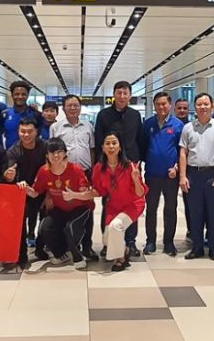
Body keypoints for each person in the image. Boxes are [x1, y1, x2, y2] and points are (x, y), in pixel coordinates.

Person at [94, 80, 145, 256]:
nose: (122, 96)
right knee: (109, 203)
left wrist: (138, 161)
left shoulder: (135, 115)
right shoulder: (103, 115)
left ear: (130, 95)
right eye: (119, 93)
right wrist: (101, 166)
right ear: (113, 95)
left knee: (131, 203)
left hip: (131, 166)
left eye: (125, 93)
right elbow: (99, 140)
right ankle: (108, 242)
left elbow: (140, 138)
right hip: (110, 166)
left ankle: (130, 242)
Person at [25, 138, 91, 270]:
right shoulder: (43, 171)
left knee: (69, 228)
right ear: (47, 155)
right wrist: (25, 189)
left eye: (59, 152)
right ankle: (61, 253)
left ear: (65, 153)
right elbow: (36, 192)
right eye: (52, 152)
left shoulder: (76, 170)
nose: (55, 156)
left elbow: (88, 194)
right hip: (60, 208)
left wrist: (74, 195)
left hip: (80, 208)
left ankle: (77, 256)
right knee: (44, 227)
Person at [179, 92, 214, 262]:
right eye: (199, 104)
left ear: (212, 106)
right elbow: (183, 153)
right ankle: (197, 248)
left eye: (206, 104)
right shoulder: (188, 128)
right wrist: (183, 176)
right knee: (195, 213)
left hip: (212, 174)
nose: (203, 107)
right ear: (195, 107)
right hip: (193, 175)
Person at [86, 133, 147, 271]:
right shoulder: (99, 168)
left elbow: (140, 193)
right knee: (107, 239)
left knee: (116, 226)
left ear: (120, 147)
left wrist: (136, 179)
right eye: (107, 143)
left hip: (133, 204)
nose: (111, 146)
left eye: (114, 143)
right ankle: (124, 249)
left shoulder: (130, 166)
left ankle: (120, 260)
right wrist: (78, 194)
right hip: (113, 206)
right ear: (102, 148)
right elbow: (98, 191)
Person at [50, 94, 98, 260]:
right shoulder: (56, 128)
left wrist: (92, 171)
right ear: (63, 108)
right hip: (63, 175)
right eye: (69, 105)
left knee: (87, 209)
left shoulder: (88, 126)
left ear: (80, 107)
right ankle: (68, 244)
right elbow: (51, 152)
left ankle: (87, 246)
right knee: (66, 207)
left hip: (84, 172)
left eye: (76, 105)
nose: (72, 108)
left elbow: (91, 149)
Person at [142, 92, 184, 256]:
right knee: (151, 209)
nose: (161, 107)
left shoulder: (178, 125)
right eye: (158, 104)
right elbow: (143, 146)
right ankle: (150, 241)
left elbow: (182, 150)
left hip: (170, 176)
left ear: (170, 105)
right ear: (154, 106)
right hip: (152, 174)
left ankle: (168, 242)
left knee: (170, 209)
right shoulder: (148, 124)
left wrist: (176, 168)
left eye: (164, 104)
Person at [4, 117, 48, 268]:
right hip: (21, 192)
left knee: (45, 220)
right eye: (22, 131)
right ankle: (21, 254)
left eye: (30, 132)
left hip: (42, 190)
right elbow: (10, 174)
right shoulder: (13, 151)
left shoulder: (44, 147)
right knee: (20, 223)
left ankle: (41, 249)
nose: (26, 135)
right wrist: (9, 176)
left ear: (37, 132)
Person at [2, 80, 43, 150]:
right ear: (12, 95)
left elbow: (39, 135)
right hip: (10, 156)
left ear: (27, 96)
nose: (20, 97)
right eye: (17, 94)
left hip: (31, 155)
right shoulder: (5, 114)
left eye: (23, 94)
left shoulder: (36, 115)